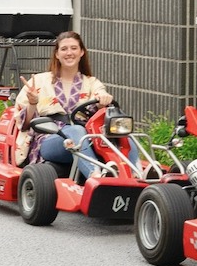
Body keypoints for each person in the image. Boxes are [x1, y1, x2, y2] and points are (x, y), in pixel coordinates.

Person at [11, 31, 144, 180]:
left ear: (81, 52)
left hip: (88, 138)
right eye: (64, 49)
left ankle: (137, 174)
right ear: (57, 54)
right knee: (76, 131)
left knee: (123, 134)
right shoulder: (39, 82)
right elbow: (24, 124)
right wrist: (33, 103)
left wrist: (103, 100)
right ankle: (95, 175)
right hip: (52, 139)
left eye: (74, 48)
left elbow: (100, 93)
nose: (69, 53)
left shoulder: (92, 83)